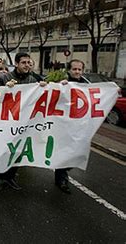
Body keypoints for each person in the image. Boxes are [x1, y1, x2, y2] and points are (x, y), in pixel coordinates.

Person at [0, 52, 47, 191]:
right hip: (6, 123)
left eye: (29, 62)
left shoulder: (34, 80)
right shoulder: (4, 78)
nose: (27, 65)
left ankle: (10, 177)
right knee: (4, 151)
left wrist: (45, 86)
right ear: (16, 64)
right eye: (24, 63)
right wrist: (3, 89)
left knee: (18, 151)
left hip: (24, 124)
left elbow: (48, 91)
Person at [55, 59, 87, 194]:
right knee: (65, 153)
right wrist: (59, 86)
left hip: (78, 127)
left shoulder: (86, 86)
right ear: (69, 70)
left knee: (75, 154)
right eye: (74, 69)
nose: (77, 72)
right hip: (63, 126)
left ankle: (62, 172)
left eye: (80, 69)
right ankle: (61, 179)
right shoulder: (63, 84)